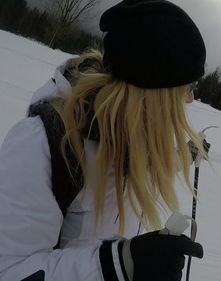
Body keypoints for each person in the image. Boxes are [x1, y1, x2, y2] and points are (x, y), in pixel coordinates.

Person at [0, 0, 209, 280]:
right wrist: (121, 264)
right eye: (188, 86)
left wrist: (184, 152)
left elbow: (148, 161)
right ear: (152, 86)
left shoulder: (135, 135)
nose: (192, 98)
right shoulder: (40, 145)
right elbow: (9, 268)